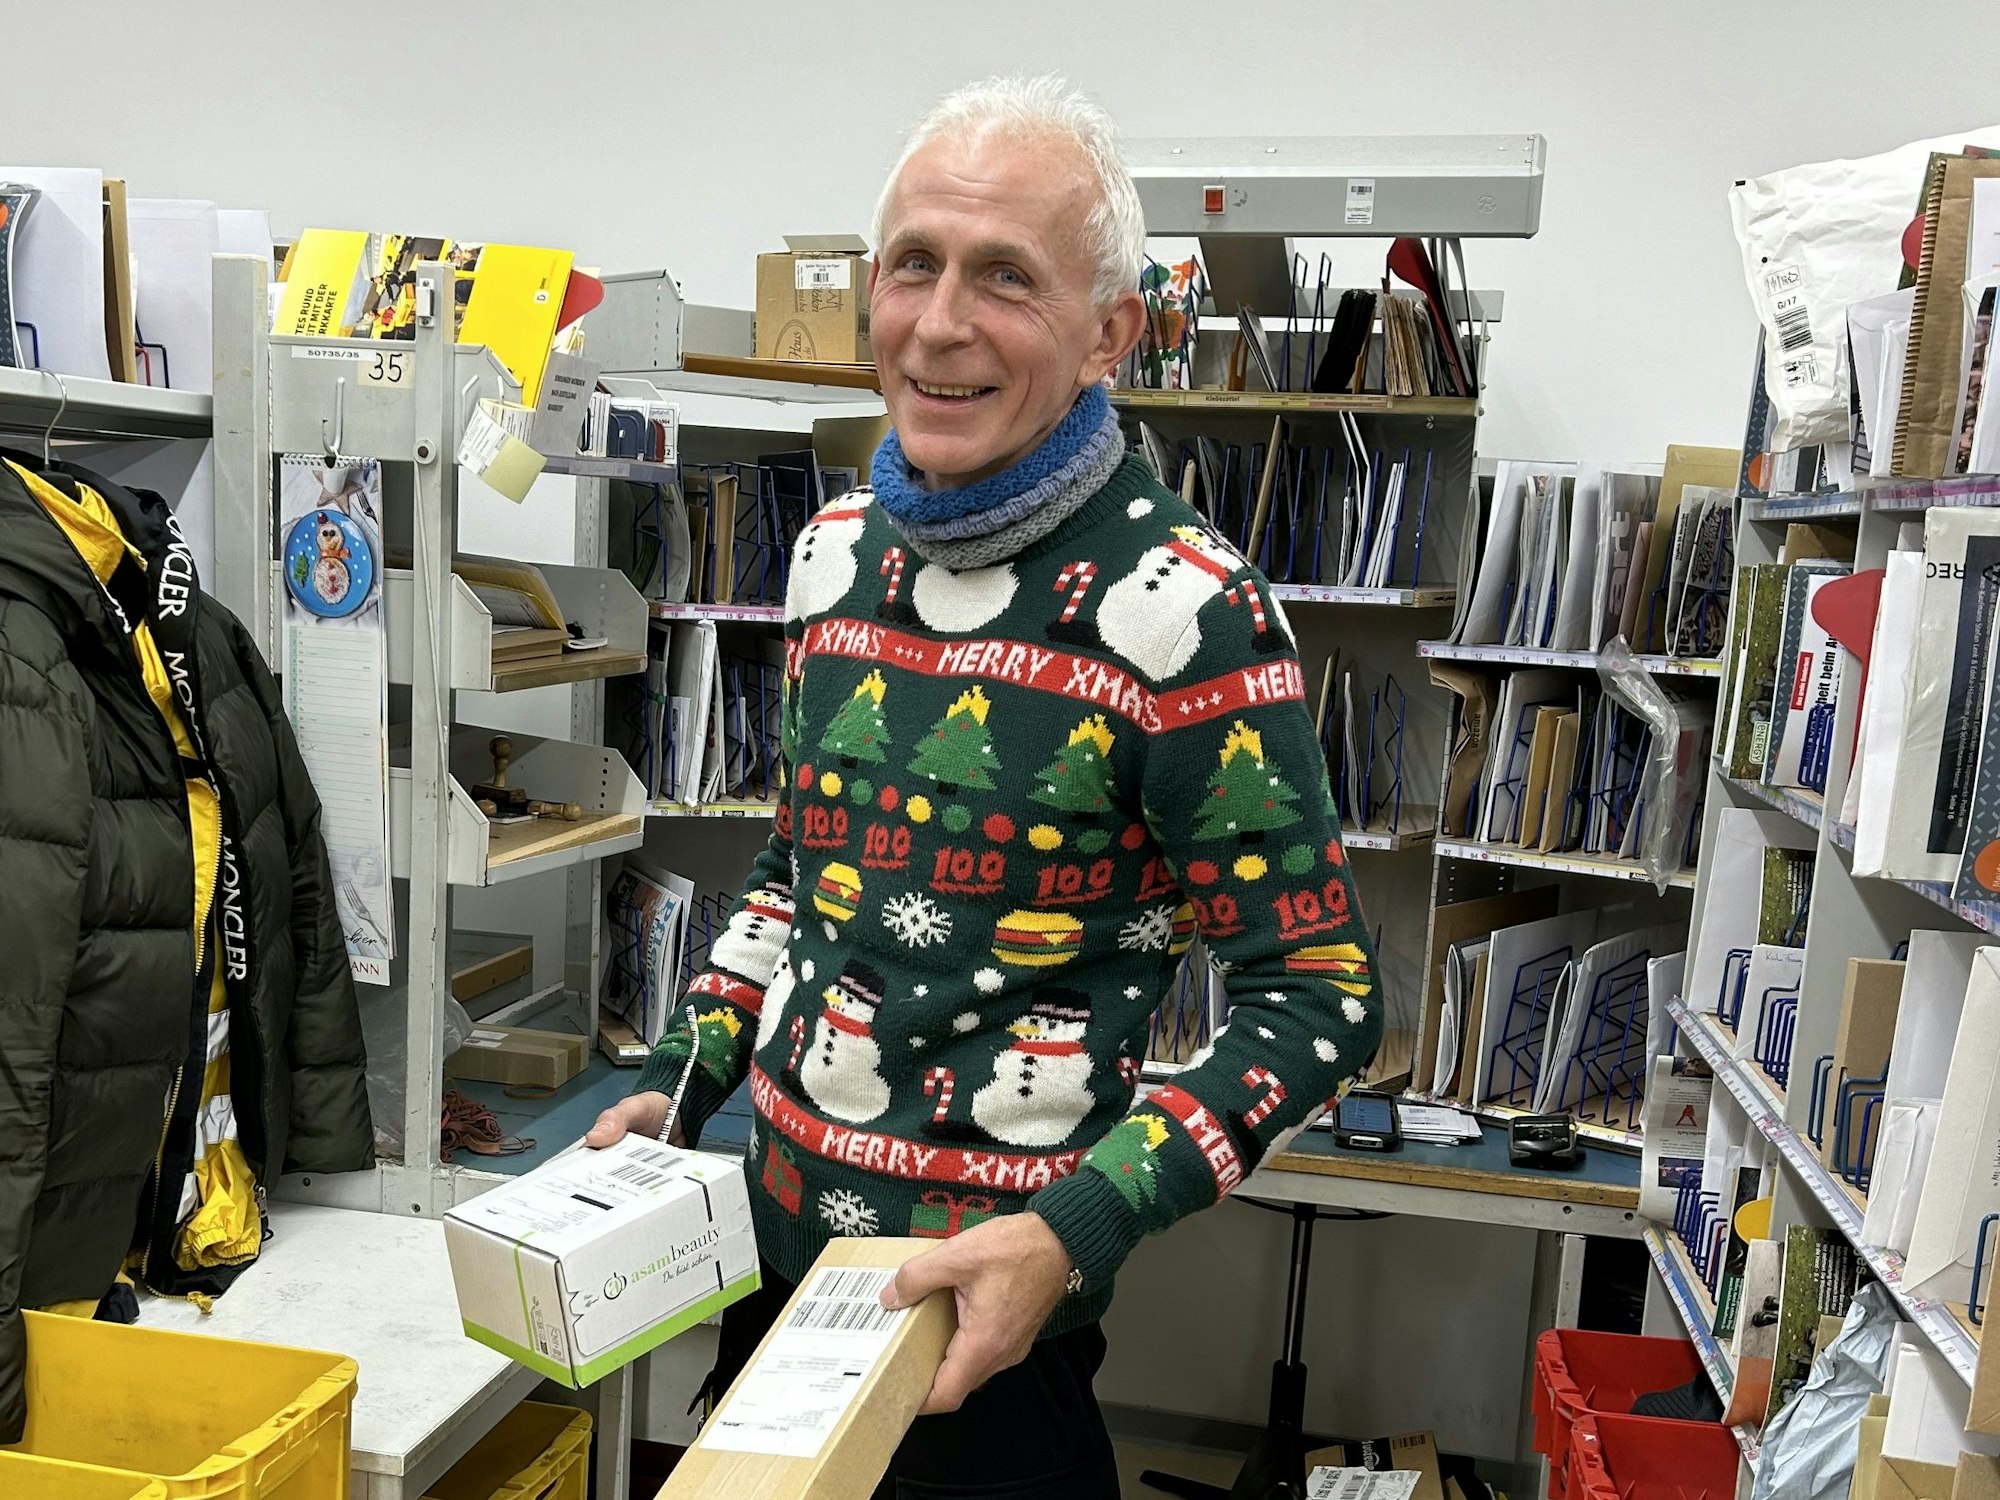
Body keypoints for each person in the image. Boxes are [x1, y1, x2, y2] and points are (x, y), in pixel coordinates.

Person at [587, 74, 1383, 1498]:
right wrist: (684, 1074)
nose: (941, 323)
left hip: (987, 1366)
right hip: (777, 1306)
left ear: (1106, 335)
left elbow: (1319, 997)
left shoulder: (1191, 612)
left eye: (1005, 278)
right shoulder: (831, 553)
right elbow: (797, 876)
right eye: (914, 265)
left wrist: (1072, 1229)